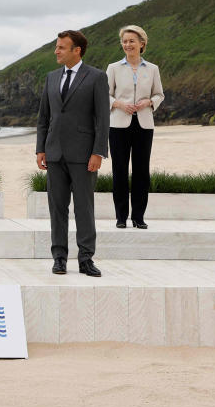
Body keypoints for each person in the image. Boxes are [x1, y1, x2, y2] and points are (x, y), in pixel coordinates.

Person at [36, 30, 110, 278]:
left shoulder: (96, 77)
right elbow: (43, 118)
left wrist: (98, 152)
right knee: (57, 208)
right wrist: (41, 148)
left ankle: (86, 259)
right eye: (56, 47)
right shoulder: (51, 77)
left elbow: (103, 118)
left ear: (77, 50)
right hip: (54, 153)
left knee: (84, 209)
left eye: (61, 47)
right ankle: (59, 258)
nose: (56, 51)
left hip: (84, 155)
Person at [106, 25, 165, 229]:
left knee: (141, 171)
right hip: (118, 125)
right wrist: (120, 104)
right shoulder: (113, 68)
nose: (127, 45)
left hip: (144, 125)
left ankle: (138, 217)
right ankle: (121, 217)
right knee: (119, 170)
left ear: (142, 43)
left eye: (132, 41)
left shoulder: (152, 69)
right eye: (125, 41)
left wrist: (148, 102)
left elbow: (159, 94)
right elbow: (105, 95)